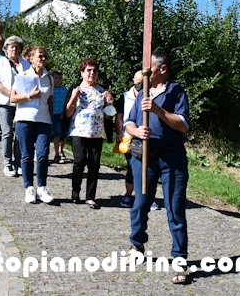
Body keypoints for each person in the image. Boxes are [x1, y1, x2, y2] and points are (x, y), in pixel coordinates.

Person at [124, 51, 190, 284]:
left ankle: (180, 260)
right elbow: (129, 122)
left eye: (149, 67)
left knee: (175, 207)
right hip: (145, 157)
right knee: (140, 203)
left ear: (162, 69)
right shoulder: (143, 92)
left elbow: (182, 125)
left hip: (172, 158)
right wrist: (137, 132)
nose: (145, 71)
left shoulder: (176, 91)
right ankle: (137, 245)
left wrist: (157, 110)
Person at [65, 58, 114, 209]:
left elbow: (108, 115)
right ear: (82, 73)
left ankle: (90, 196)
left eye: (94, 70)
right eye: (89, 70)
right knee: (79, 161)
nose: (92, 73)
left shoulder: (102, 91)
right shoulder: (76, 88)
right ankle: (75, 193)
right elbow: (67, 113)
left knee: (94, 164)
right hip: (79, 131)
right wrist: (73, 97)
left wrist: (110, 101)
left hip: (97, 132)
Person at [10, 46, 54, 204]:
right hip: (24, 119)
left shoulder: (49, 78)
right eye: (40, 56)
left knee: (42, 155)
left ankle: (42, 188)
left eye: (44, 57)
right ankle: (29, 188)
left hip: (43, 121)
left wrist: (52, 122)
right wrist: (29, 96)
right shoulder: (23, 75)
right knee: (27, 155)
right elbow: (13, 99)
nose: (42, 59)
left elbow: (50, 101)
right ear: (31, 58)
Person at [0, 36, 30, 177]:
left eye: (16, 47)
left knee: (20, 134)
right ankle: (7, 163)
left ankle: (18, 162)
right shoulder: (0, 62)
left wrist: (22, 98)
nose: (14, 49)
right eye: (11, 47)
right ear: (6, 49)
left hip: (21, 103)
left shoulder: (26, 64)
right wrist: (11, 96)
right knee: (7, 132)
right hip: (4, 102)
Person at [114, 70, 143, 208]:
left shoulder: (151, 96)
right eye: (137, 83)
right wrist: (119, 132)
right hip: (129, 138)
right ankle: (129, 195)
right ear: (133, 80)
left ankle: (145, 197)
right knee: (134, 167)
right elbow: (119, 116)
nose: (139, 86)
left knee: (146, 167)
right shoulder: (125, 97)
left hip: (146, 137)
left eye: (142, 84)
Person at [51, 69, 69, 163]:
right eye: (56, 78)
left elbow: (67, 102)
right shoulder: (50, 89)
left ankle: (61, 149)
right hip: (54, 114)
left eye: (60, 78)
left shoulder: (64, 90)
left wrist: (65, 113)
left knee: (64, 135)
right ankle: (56, 154)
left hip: (63, 114)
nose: (58, 80)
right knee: (57, 133)